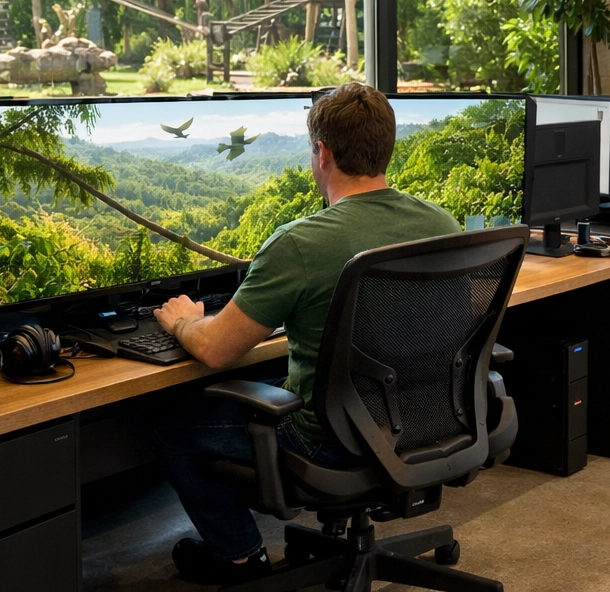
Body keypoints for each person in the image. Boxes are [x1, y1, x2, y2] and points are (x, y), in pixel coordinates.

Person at [149, 83, 460, 585]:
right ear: (389, 146)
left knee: (171, 426)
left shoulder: (299, 243)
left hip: (330, 443)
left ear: (322, 153)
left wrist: (184, 319)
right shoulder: (443, 223)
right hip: (422, 421)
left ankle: (239, 556)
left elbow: (214, 349)